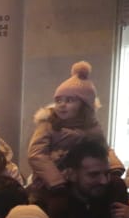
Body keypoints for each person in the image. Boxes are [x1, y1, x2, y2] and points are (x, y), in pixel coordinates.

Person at [28, 61, 114, 191]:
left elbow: (103, 149)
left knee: (114, 185)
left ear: (85, 106)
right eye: (58, 100)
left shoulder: (92, 127)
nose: (62, 105)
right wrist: (56, 181)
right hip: (51, 182)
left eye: (69, 100)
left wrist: (115, 166)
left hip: (81, 181)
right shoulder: (49, 123)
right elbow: (36, 155)